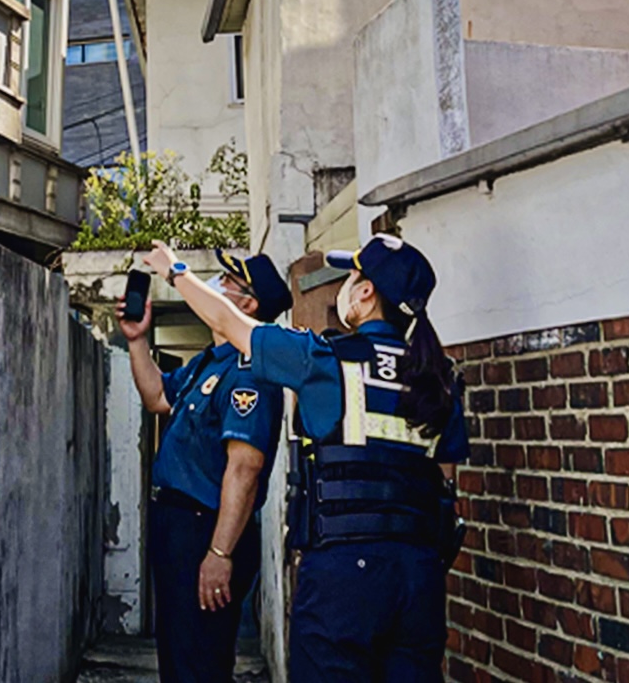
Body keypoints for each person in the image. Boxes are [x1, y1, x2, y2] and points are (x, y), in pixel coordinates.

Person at [142, 234, 469, 683]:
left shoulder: (327, 361)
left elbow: (229, 322)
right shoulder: (439, 379)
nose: (345, 287)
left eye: (351, 277)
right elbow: (445, 488)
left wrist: (176, 271)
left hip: (343, 578)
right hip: (419, 578)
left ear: (365, 292)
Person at [118, 250, 293, 683]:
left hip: (207, 531)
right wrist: (137, 340)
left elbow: (245, 469)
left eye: (228, 280)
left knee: (199, 662)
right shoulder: (210, 361)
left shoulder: (251, 372)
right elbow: (157, 396)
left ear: (248, 303)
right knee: (180, 657)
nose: (217, 283)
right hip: (179, 528)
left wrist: (219, 553)